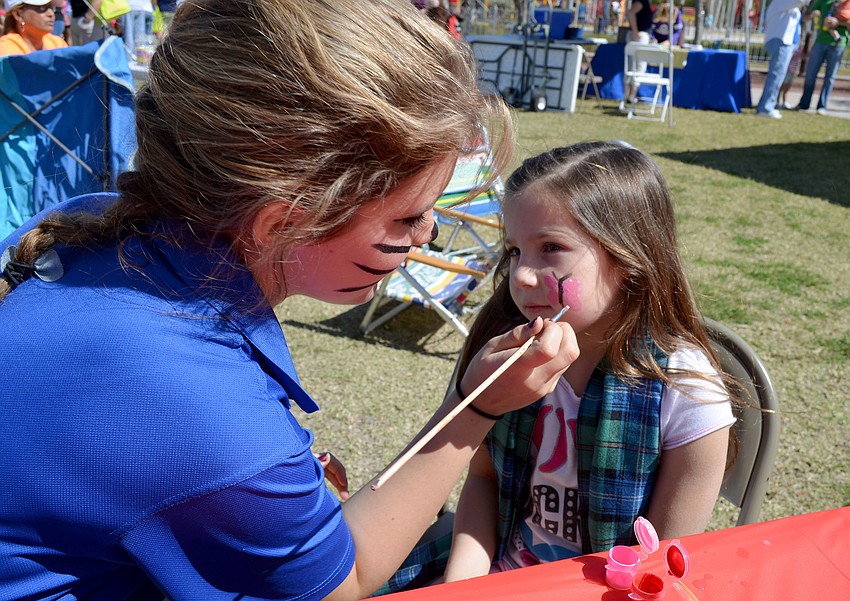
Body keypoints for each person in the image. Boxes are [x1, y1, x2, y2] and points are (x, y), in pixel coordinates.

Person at [0, 1, 578, 599]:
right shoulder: (203, 410)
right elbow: (342, 584)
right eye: (409, 216)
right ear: (282, 223)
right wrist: (475, 408)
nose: (427, 233)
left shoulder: (89, 224)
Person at [441, 142, 736, 581]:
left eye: (551, 247)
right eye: (515, 251)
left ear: (630, 258)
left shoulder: (688, 394)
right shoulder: (504, 354)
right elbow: (483, 480)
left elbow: (663, 566)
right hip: (499, 574)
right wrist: (461, 586)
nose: (520, 275)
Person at [794, 0, 849, 114]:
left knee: (830, 77)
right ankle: (804, 104)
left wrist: (838, 22)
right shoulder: (823, 1)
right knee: (810, 74)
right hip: (820, 42)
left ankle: (822, 106)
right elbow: (805, 18)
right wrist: (812, 14)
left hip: (839, 44)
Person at [755, 0, 807, 119]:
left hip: (785, 42)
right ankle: (765, 107)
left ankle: (767, 105)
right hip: (781, 41)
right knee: (776, 75)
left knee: (778, 75)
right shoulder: (783, 2)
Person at [0, 0, 68, 55]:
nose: (51, 14)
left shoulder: (57, 43)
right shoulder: (6, 47)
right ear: (18, 14)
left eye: (51, 8)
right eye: (41, 8)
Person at [623, 0, 654, 105]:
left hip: (639, 34)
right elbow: (631, 13)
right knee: (637, 66)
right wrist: (635, 31)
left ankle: (630, 95)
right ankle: (630, 95)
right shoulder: (642, 1)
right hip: (639, 35)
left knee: (634, 66)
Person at [778, 42, 805, 109]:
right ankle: (777, 102)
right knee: (781, 86)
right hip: (787, 70)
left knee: (787, 87)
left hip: (792, 72)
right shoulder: (791, 46)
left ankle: (784, 102)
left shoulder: (798, 48)